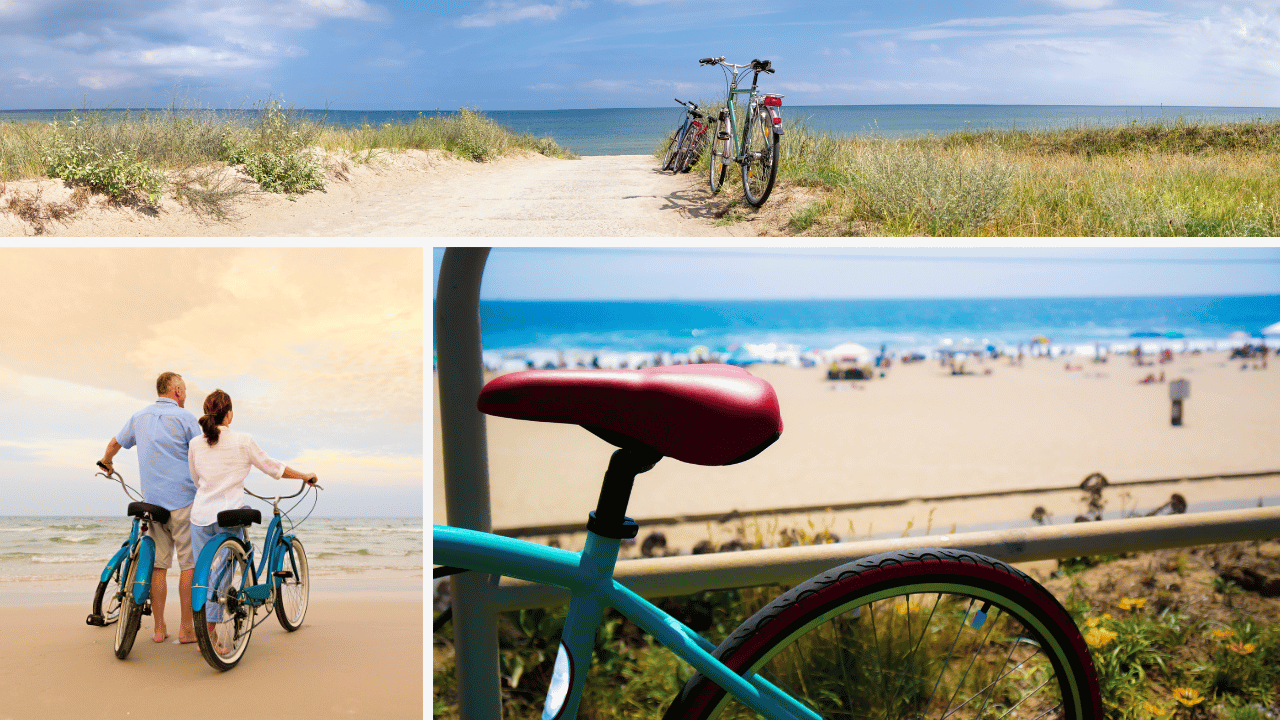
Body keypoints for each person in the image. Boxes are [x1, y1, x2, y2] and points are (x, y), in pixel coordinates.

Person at [187, 390, 317, 651]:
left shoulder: (195, 444)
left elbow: (196, 480)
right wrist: (305, 476)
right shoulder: (243, 441)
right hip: (228, 515)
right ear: (229, 414)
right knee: (222, 575)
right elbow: (273, 468)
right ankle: (209, 636)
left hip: (200, 515)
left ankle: (204, 631)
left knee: (203, 574)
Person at [99, 371, 200, 644]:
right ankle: (186, 629)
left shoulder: (139, 417)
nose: (186, 395)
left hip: (153, 505)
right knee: (188, 564)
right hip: (184, 502)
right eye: (186, 390)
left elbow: (113, 444)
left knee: (159, 566)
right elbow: (202, 453)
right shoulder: (186, 419)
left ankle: (158, 629)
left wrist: (107, 461)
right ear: (177, 390)